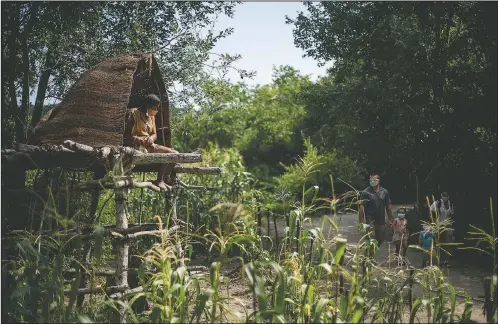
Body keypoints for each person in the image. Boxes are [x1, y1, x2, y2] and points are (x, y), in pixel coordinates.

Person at [124, 94, 178, 191]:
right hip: (135, 147)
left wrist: (151, 139)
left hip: (149, 145)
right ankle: (160, 181)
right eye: (154, 107)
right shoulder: (133, 113)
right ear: (147, 105)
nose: (155, 110)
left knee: (174, 154)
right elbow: (126, 135)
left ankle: (161, 180)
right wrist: (138, 139)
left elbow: (154, 134)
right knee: (170, 154)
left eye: (156, 108)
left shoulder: (151, 116)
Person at [359, 173, 394, 260]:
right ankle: (370, 259)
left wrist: (390, 219)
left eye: (374, 180)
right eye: (370, 180)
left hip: (381, 219)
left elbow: (388, 206)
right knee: (371, 238)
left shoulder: (384, 192)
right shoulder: (365, 192)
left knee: (381, 238)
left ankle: (369, 254)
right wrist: (361, 221)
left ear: (379, 180)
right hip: (369, 219)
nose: (372, 182)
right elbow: (361, 207)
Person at [430, 191, 455, 266]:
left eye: (446, 196)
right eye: (444, 196)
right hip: (439, 225)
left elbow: (452, 215)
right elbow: (431, 212)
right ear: (441, 196)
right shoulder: (437, 203)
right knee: (439, 243)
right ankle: (438, 260)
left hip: (448, 225)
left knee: (448, 243)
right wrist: (434, 222)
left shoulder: (450, 204)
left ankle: (446, 261)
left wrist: (452, 226)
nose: (445, 197)